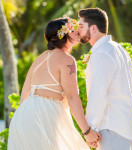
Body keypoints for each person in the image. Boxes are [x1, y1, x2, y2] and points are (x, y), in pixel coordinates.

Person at [7, 18, 101, 150]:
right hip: (45, 115)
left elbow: (24, 92)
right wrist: (87, 132)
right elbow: (72, 97)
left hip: (22, 116)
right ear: (64, 34)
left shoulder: (40, 58)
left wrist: (27, 117)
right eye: (73, 29)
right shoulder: (67, 59)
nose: (78, 31)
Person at [78, 8, 132, 150]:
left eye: (81, 26)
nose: (78, 30)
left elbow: (98, 92)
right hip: (124, 127)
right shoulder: (118, 49)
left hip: (111, 127)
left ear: (93, 28)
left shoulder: (102, 53)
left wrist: (90, 130)